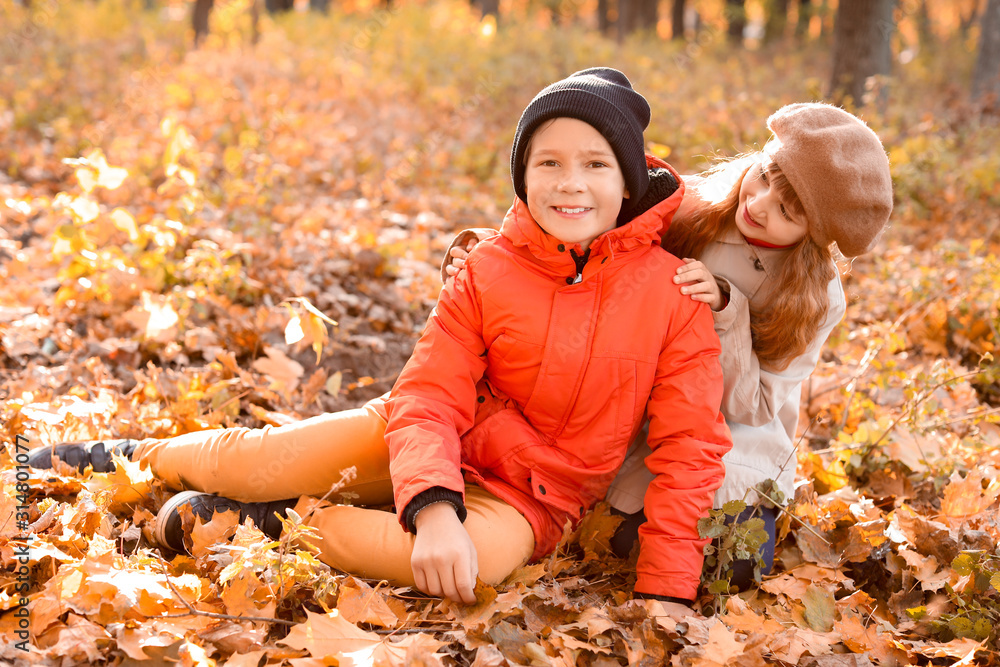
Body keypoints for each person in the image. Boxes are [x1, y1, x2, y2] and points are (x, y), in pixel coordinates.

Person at [30, 68, 732, 611]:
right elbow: (428, 393)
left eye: (595, 164)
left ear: (629, 177)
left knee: (476, 563)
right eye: (548, 162)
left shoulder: (674, 295)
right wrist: (431, 505)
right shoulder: (488, 267)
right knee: (262, 458)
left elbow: (690, 446)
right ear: (523, 174)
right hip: (428, 436)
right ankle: (125, 456)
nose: (569, 183)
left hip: (532, 495)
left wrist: (667, 586)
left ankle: (262, 526)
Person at [443, 102, 894, 589]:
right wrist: (481, 256)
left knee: (732, 564)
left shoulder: (816, 296)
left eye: (785, 210)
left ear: (815, 236)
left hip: (732, 437)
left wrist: (727, 310)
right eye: (762, 176)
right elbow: (576, 239)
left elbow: (755, 405)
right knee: (615, 537)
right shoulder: (689, 206)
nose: (758, 204)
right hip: (630, 406)